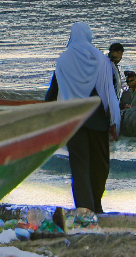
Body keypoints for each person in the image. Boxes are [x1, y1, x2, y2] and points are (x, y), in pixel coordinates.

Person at [44, 23, 120, 217]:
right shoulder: (100, 59)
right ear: (88, 36)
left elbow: (53, 92)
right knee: (100, 165)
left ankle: (85, 208)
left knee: (79, 166)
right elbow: (109, 92)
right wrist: (114, 121)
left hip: (74, 120)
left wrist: (48, 116)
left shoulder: (64, 59)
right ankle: (96, 205)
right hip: (98, 121)